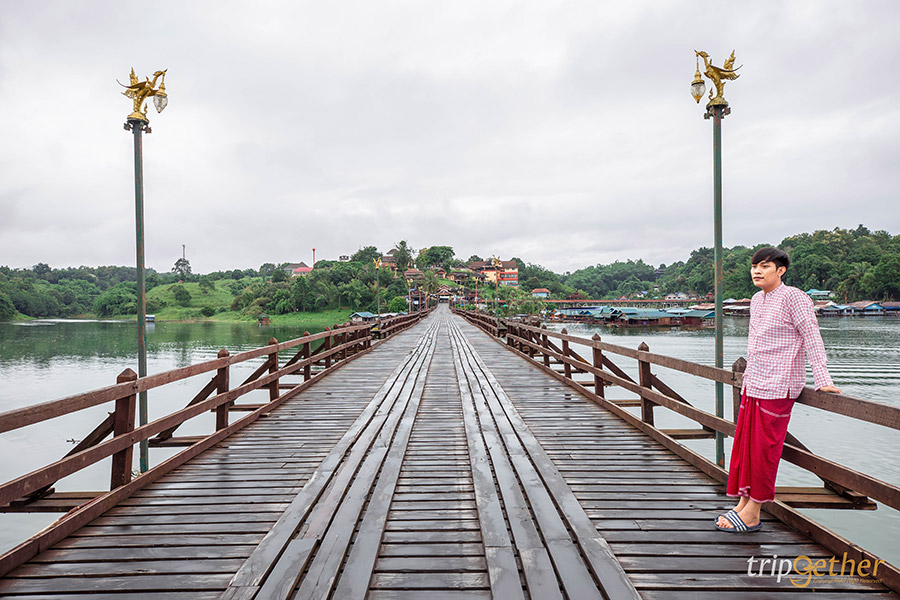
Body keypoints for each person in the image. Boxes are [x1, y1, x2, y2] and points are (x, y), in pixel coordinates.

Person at [715, 247, 841, 532]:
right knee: (746, 445)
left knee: (764, 449)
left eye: (764, 266)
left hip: (779, 384)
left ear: (780, 270)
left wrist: (822, 378)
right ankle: (744, 502)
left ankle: (754, 512)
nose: (757, 271)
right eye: (754, 267)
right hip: (755, 381)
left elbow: (812, 336)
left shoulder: (795, 297)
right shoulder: (758, 300)